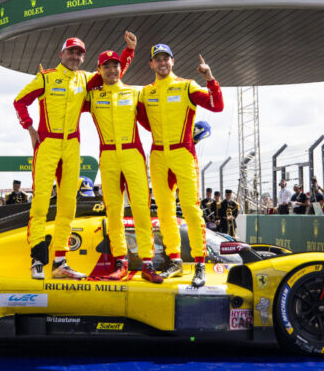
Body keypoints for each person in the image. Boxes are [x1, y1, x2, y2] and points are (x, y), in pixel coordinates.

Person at [13, 32, 136, 280]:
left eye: (79, 53)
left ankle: (60, 262)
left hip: (72, 146)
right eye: (71, 51)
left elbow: (113, 75)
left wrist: (129, 52)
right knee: (41, 203)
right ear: (62, 54)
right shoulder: (46, 77)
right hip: (47, 144)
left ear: (83, 58)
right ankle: (37, 260)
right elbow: (19, 102)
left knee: (68, 205)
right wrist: (30, 128)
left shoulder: (85, 79)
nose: (75, 56)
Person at [136, 44, 223, 286]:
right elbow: (143, 120)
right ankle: (174, 261)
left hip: (183, 153)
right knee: (164, 212)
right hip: (158, 155)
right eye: (157, 59)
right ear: (151, 64)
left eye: (166, 58)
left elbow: (217, 106)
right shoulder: (145, 92)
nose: (162, 63)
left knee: (191, 210)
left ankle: (199, 264)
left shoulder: (187, 85)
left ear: (172, 61)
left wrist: (210, 79)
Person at [84, 49, 161, 283]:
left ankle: (148, 263)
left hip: (132, 153)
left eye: (115, 65)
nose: (112, 70)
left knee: (141, 208)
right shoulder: (92, 96)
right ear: (99, 70)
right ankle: (120, 262)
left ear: (121, 67)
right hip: (107, 155)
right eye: (106, 66)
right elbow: (73, 96)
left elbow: (151, 123)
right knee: (113, 211)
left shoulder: (134, 92)